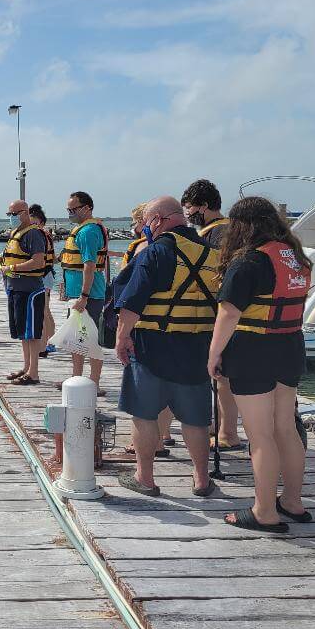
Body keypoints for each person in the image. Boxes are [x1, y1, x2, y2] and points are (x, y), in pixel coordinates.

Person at [208, 197, 311, 533]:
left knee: (260, 434)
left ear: (242, 226)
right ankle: (293, 502)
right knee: (285, 427)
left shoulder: (248, 261)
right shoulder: (295, 256)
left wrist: (213, 355)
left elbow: (229, 312)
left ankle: (264, 511)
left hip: (254, 350)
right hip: (290, 346)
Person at [114, 196, 219, 498]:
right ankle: (201, 479)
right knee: (195, 419)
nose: (145, 227)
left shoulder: (156, 252)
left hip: (152, 346)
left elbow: (132, 302)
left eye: (147, 221)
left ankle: (144, 477)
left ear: (158, 220)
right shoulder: (212, 253)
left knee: (143, 414)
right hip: (197, 345)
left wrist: (122, 337)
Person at [182, 179, 240, 450]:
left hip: (219, 311)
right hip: (235, 309)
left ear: (204, 206)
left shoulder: (213, 235)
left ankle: (228, 433)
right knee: (222, 375)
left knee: (221, 376)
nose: (187, 213)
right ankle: (222, 428)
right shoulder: (233, 228)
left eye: (190, 207)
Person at [116, 203, 174, 456]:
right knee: (167, 386)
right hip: (174, 328)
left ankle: (148, 443)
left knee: (144, 392)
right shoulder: (170, 250)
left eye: (136, 223)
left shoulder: (145, 249)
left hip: (145, 326)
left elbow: (133, 294)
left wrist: (122, 333)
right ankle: (164, 434)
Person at [59, 192, 108, 393]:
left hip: (89, 297)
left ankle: (94, 383)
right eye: (68, 210)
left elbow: (89, 265)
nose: (70, 213)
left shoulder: (88, 231)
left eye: (74, 209)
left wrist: (84, 296)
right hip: (77, 295)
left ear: (87, 208)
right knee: (75, 339)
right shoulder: (80, 230)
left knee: (91, 340)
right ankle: (77, 379)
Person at [0, 200, 48, 384]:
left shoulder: (33, 233)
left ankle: (34, 372)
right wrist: (2, 262)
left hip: (30, 290)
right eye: (9, 214)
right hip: (15, 289)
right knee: (22, 331)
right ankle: (26, 366)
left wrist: (13, 267)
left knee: (31, 332)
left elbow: (38, 262)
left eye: (14, 214)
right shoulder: (15, 233)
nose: (11, 218)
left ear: (25, 213)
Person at [29, 204, 57, 357]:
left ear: (40, 222)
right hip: (47, 274)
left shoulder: (41, 234)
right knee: (46, 310)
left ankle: (44, 346)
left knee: (43, 311)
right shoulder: (44, 234)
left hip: (44, 275)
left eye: (33, 222)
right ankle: (50, 342)